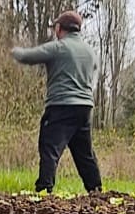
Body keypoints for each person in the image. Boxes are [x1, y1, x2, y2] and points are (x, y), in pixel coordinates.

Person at [11, 11, 102, 193]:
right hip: (85, 107)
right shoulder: (91, 52)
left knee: (49, 147)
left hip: (61, 105)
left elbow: (27, 56)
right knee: (84, 152)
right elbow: (93, 77)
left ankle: (45, 188)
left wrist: (11, 50)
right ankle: (96, 189)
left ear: (60, 29)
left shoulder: (58, 47)